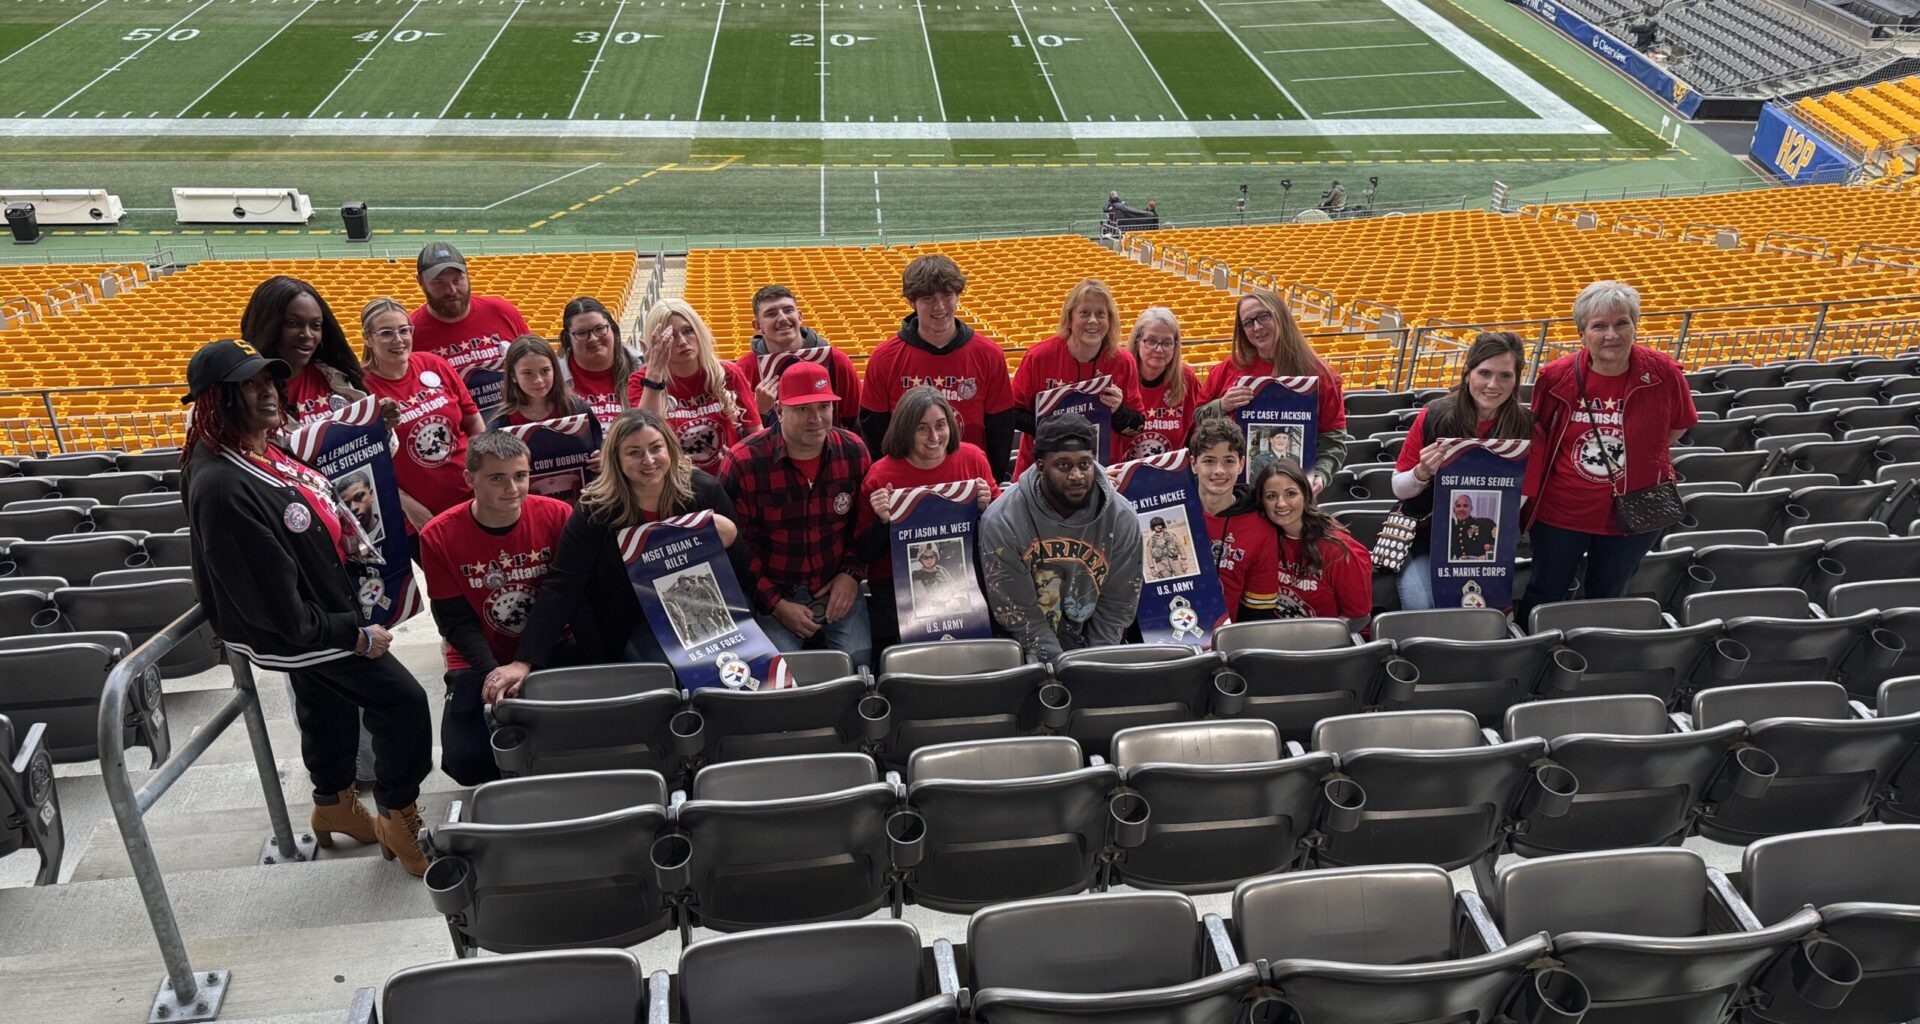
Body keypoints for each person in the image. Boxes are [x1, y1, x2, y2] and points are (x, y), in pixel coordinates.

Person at [177, 339, 431, 875]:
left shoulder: (254, 446)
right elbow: (278, 610)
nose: (266, 393)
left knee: (328, 705)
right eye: (248, 385)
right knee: (403, 702)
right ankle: (397, 811)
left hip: (319, 607)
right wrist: (353, 634)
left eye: (268, 381)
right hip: (302, 629)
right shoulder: (222, 485)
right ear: (214, 400)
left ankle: (333, 803)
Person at [489, 409, 743, 699]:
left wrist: (731, 538)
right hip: (633, 623)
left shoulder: (704, 491)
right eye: (634, 452)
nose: (648, 460)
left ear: (670, 448)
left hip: (709, 615)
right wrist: (525, 660)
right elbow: (563, 584)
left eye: (655, 448)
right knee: (670, 681)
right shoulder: (594, 509)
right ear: (617, 460)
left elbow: (740, 570)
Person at [1517, 281, 1698, 621]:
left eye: (1621, 323)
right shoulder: (1556, 376)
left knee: (1608, 594)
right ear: (1582, 334)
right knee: (1545, 590)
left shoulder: (1663, 373)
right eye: (1599, 326)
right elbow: (1540, 434)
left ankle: (1593, 654)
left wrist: (1642, 458)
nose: (1611, 334)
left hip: (1635, 509)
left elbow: (1679, 424)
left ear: (1635, 326)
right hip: (1562, 511)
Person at [418, 431, 571, 785]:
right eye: (497, 478)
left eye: (521, 475)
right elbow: (453, 620)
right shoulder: (437, 535)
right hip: (478, 655)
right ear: (469, 479)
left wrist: (527, 662)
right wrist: (494, 674)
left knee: (573, 734)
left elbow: (564, 600)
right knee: (465, 762)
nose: (513, 488)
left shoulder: (558, 515)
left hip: (550, 643)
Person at [720, 361, 874, 669]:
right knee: (779, 675)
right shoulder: (744, 462)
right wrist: (775, 605)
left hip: (836, 585)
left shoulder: (854, 451)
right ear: (779, 410)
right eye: (802, 409)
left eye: (823, 407)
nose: (816, 419)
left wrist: (852, 574)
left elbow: (864, 527)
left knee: (859, 664)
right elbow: (738, 550)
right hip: (773, 592)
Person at [979, 412, 1144, 662]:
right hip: (1023, 651)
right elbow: (1019, 613)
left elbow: (1116, 607)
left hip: (1096, 647)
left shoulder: (1122, 518)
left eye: (1085, 464)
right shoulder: (1002, 520)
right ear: (1040, 466)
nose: (1077, 475)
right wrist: (1064, 669)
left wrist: (1094, 666)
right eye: (1064, 465)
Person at [1392, 331, 1533, 610]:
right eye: (1484, 373)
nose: (1493, 384)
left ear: (1517, 379)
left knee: (1489, 610)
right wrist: (1422, 472)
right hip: (1424, 536)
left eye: (1505, 375)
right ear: (1468, 373)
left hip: (1485, 544)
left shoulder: (1527, 426)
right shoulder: (1435, 415)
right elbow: (1399, 487)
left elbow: (1522, 496)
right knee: (1424, 606)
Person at [858, 386, 997, 647]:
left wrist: (986, 508)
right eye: (922, 428)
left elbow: (1001, 537)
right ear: (905, 430)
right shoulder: (880, 476)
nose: (934, 436)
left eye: (941, 425)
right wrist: (882, 521)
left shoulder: (973, 459)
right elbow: (864, 553)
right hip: (896, 593)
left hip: (968, 583)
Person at [860, 254, 1017, 483]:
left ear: (958, 296)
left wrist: (989, 480)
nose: (940, 306)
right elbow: (874, 432)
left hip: (969, 480)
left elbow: (1000, 429)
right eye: (928, 298)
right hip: (907, 484)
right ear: (912, 301)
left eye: (947, 295)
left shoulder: (989, 355)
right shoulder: (884, 358)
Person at [1198, 289, 1350, 492]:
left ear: (1280, 315)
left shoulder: (1322, 375)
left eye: (1263, 316)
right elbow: (1197, 418)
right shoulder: (1228, 368)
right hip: (1235, 491)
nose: (1257, 327)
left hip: (1292, 493)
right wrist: (1222, 405)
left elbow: (1334, 441)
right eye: (1248, 322)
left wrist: (1320, 474)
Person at [360, 297, 486, 539]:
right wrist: (408, 507)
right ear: (368, 337)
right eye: (386, 333)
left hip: (472, 496)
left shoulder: (434, 364)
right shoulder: (360, 389)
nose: (398, 340)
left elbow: (473, 422)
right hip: (419, 516)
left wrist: (485, 474)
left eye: (404, 330)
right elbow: (368, 467)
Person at [1012, 279, 1144, 475]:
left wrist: (1118, 411)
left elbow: (1138, 426)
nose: (1093, 320)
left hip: (1100, 473)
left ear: (1110, 320)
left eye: (1101, 314)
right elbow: (1012, 414)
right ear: (1070, 317)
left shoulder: (1123, 361)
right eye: (1084, 313)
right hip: (1040, 472)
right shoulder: (1038, 357)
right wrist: (1056, 428)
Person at [633, 299, 759, 475]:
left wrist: (739, 460)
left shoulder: (728, 373)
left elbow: (756, 435)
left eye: (688, 331)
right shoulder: (641, 381)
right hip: (671, 485)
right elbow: (640, 438)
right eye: (671, 337)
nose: (683, 342)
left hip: (727, 480)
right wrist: (654, 376)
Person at [409, 242, 529, 415]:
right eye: (439, 283)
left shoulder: (502, 311)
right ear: (420, 282)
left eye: (458, 280)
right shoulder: (411, 334)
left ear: (467, 274)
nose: (451, 290)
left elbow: (535, 360)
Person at [1249, 460, 1372, 622]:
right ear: (1262, 502)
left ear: (1306, 495)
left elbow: (1358, 617)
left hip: (1328, 643)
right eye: (1271, 496)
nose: (1281, 503)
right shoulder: (1263, 539)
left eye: (1290, 493)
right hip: (1276, 638)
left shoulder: (1339, 551)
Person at [239, 275, 367, 426]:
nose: (307, 335)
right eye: (292, 323)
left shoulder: (336, 376)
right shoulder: (244, 393)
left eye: (316, 325)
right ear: (267, 325)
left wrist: (380, 425)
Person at [736, 285, 861, 431]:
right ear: (758, 325)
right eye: (771, 314)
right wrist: (759, 413)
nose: (782, 318)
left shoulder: (836, 361)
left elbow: (855, 421)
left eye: (788, 310)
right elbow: (737, 434)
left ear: (800, 316)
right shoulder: (743, 370)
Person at [1189, 418, 1278, 620]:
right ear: (1194, 464)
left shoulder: (1261, 528)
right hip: (1165, 637)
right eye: (1209, 460)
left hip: (1225, 643)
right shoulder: (1171, 510)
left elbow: (1258, 614)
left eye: (1229, 461)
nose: (1219, 471)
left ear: (1241, 464)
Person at [1116, 307, 1201, 462]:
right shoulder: (1119, 375)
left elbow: (1197, 436)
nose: (1159, 349)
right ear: (1137, 341)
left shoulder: (1187, 379)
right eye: (1151, 341)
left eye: (1167, 343)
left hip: (1170, 478)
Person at [557, 296, 639, 427]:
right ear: (568, 338)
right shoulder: (554, 376)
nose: (593, 338)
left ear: (612, 328)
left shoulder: (640, 366)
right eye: (582, 333)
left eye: (600, 328)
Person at [490, 334, 592, 428]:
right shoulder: (500, 423)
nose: (538, 380)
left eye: (545, 371)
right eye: (527, 373)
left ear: (554, 369)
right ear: (513, 375)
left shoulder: (578, 409)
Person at [1449, 494, 1498, 562]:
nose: (1461, 509)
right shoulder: (1452, 529)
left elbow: (1500, 547)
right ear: (1454, 510)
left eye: (1465, 506)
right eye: (1458, 506)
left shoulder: (1487, 524)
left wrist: (1487, 555)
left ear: (1471, 508)